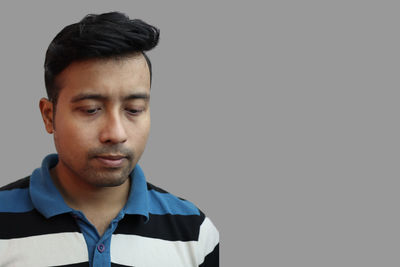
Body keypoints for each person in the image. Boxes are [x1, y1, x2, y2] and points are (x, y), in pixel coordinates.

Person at [0, 11, 219, 267]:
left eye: (134, 109)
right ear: (49, 116)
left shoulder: (194, 233)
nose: (116, 133)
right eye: (91, 109)